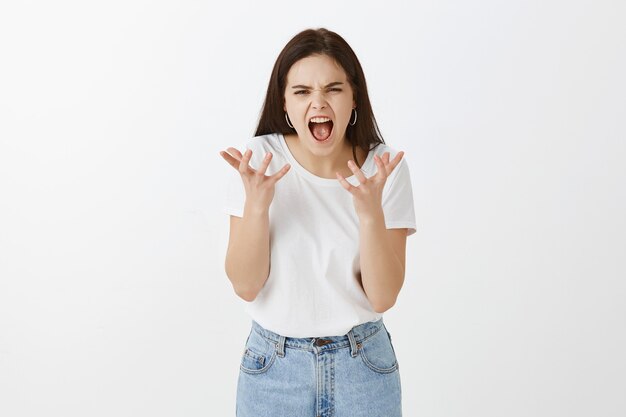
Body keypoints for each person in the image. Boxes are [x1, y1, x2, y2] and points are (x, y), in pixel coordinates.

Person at [220, 27, 416, 417]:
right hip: (273, 368)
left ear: (354, 95)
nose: (318, 103)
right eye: (302, 91)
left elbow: (383, 297)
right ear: (285, 102)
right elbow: (245, 286)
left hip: (363, 367)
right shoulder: (259, 161)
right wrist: (257, 206)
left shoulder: (384, 168)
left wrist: (369, 212)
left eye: (333, 89)